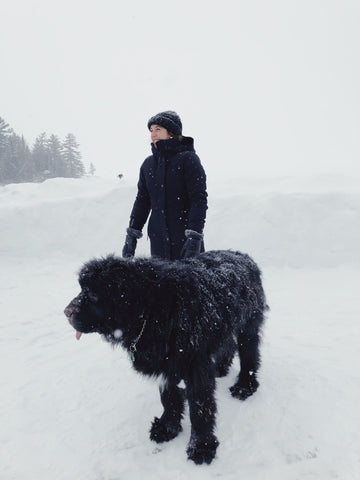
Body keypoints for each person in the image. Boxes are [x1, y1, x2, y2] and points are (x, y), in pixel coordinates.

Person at [122, 110, 208, 260]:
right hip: (158, 241)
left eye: (158, 129)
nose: (153, 134)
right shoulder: (148, 165)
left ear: (172, 133)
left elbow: (198, 200)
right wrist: (132, 234)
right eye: (151, 130)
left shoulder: (188, 160)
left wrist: (195, 236)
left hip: (185, 239)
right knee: (161, 283)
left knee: (188, 283)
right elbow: (142, 201)